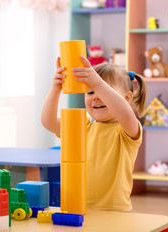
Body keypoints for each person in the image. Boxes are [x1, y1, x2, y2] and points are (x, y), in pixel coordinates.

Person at [41, 56, 147, 212]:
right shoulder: (80, 125)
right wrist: (55, 89)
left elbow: (125, 112)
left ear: (126, 98)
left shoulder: (127, 129)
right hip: (77, 207)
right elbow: (47, 121)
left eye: (104, 91)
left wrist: (97, 83)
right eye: (90, 91)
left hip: (115, 211)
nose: (96, 96)